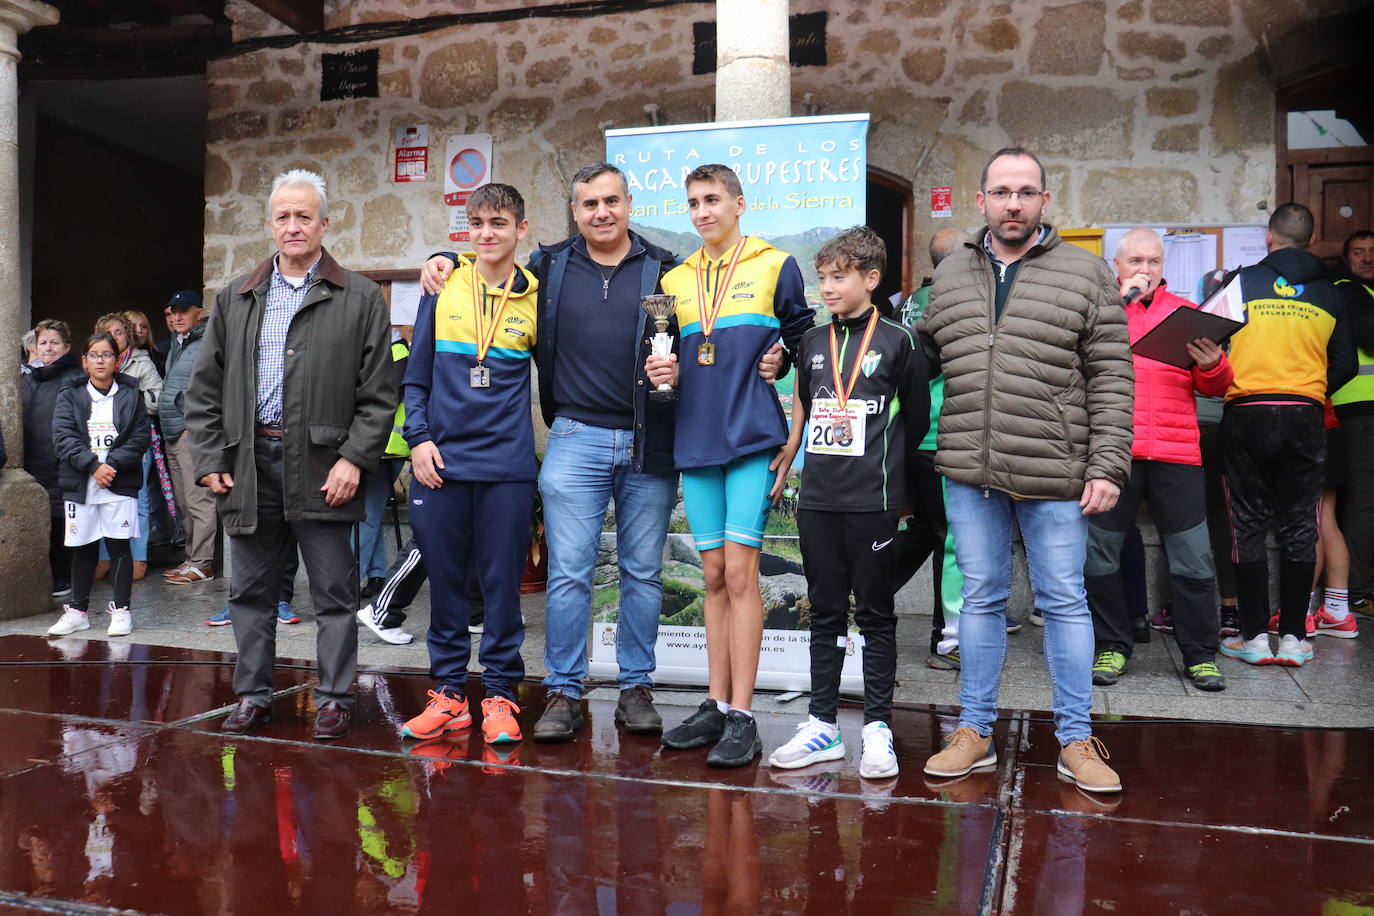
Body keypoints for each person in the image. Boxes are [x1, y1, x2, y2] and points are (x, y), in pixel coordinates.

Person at [915, 147, 1132, 794]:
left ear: (1044, 201)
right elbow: (920, 355)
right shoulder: (951, 273)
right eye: (1002, 191)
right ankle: (974, 730)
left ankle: (1074, 738)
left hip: (1057, 469)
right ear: (980, 201)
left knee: (1064, 601)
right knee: (980, 598)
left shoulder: (1086, 273)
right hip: (969, 466)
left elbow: (1112, 376)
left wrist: (1108, 464)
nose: (1014, 202)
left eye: (1026, 192)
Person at [185, 168, 396, 739]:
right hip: (250, 465)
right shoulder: (237, 298)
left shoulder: (358, 298)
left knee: (333, 592)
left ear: (325, 224)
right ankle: (253, 696)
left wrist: (355, 458)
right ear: (270, 225)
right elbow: (204, 391)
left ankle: (334, 698)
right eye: (283, 216)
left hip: (326, 467)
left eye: (305, 215)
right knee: (249, 593)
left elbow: (379, 395)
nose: (293, 225)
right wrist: (209, 460)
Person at [646, 163, 813, 767]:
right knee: (712, 574)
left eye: (712, 200)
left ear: (739, 203)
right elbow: (663, 354)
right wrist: (661, 371)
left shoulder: (775, 264)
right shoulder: (676, 278)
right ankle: (715, 704)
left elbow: (805, 340)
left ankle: (744, 714)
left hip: (750, 439)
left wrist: (783, 360)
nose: (702, 212)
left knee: (742, 574)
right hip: (694, 440)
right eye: (693, 203)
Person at [765, 226, 929, 779]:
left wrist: (897, 487)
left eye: (840, 277)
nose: (828, 288)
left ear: (871, 279)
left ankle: (878, 726)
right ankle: (823, 724)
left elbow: (918, 418)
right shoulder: (812, 342)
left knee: (876, 615)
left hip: (873, 501)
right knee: (826, 612)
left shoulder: (900, 342)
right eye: (824, 278)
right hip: (818, 501)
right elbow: (806, 412)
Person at [398, 184, 537, 747]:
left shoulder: (534, 296)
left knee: (501, 586)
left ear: (520, 230)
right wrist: (419, 439)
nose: (486, 233)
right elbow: (417, 372)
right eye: (476, 223)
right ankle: (450, 695)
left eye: (498, 223)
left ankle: (501, 695)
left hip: (505, 466)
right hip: (441, 463)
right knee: (448, 585)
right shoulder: (443, 281)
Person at [1083, 229, 1232, 692]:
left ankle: (1200, 654)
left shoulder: (1187, 316)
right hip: (1114, 454)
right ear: (1117, 266)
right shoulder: (1100, 315)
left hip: (1177, 453)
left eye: (1152, 262)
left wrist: (1213, 365)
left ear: (1163, 267)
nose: (1144, 270)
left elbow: (1217, 388)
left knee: (1192, 557)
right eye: (1135, 261)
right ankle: (1112, 643)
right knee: (1100, 554)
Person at [1219, 204, 1356, 666]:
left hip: (1247, 413)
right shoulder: (1331, 293)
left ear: (1268, 239)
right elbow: (1347, 365)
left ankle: (1255, 638)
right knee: (1302, 525)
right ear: (1311, 242)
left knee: (1248, 524)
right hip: (1305, 416)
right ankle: (1296, 639)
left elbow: (1204, 342)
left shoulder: (1239, 282)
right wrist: (1310, 393)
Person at [893, 228, 969, 669]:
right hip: (941, 433)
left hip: (911, 435)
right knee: (951, 539)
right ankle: (948, 639)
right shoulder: (952, 301)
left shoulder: (908, 302)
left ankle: (866, 593)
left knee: (925, 529)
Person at [46, 332, 150, 638]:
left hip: (118, 483)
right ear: (84, 362)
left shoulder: (131, 394)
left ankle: (121, 611)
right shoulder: (71, 394)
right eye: (94, 355)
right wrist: (93, 466)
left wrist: (112, 465)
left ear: (117, 361)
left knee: (119, 547)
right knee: (83, 547)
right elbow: (63, 437)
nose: (100, 360)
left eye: (107, 354)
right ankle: (78, 611)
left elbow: (140, 436)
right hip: (82, 483)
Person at [158, 290, 221, 587]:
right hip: (173, 431)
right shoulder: (180, 342)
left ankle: (203, 562)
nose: (177, 317)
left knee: (199, 500)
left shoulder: (207, 339)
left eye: (183, 311)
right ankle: (191, 558)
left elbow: (211, 384)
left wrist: (191, 424)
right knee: (183, 501)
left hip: (190, 431)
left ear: (199, 312)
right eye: (172, 313)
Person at [92, 312, 161, 583]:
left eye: (119, 332)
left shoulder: (141, 363)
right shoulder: (95, 363)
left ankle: (139, 557)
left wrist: (131, 403)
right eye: (109, 332)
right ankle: (105, 557)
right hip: (102, 443)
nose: (114, 337)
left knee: (138, 499)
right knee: (103, 498)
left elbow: (159, 396)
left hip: (135, 441)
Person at [22, 319, 85, 597]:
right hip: (33, 458)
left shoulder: (74, 378)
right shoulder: (29, 378)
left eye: (54, 342)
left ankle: (64, 576)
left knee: (61, 517)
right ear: (35, 346)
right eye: (43, 342)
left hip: (60, 458)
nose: (48, 347)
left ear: (67, 347)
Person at [1331, 230, 1374, 619]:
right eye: (1358, 252)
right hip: (1358, 410)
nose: (1367, 258)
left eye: (1373, 252)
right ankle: (1358, 591)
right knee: (1363, 502)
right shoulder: (1346, 289)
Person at [355, 332, 410, 599]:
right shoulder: (373, 346)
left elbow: (386, 395)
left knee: (366, 514)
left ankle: (348, 582)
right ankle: (376, 574)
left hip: (386, 448)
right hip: (374, 445)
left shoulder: (397, 349)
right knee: (371, 512)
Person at [122, 309, 166, 375]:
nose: (139, 330)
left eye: (143, 326)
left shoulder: (157, 358)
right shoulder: (113, 356)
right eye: (133, 326)